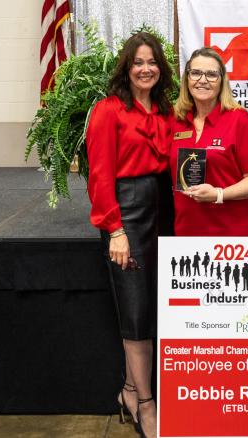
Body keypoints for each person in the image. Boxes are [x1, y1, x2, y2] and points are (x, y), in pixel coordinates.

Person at [85, 31, 175, 438]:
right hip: (128, 214)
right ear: (127, 67)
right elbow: (100, 175)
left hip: (165, 212)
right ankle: (145, 403)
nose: (145, 68)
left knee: (157, 308)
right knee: (135, 311)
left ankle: (127, 389)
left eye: (151, 61)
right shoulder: (108, 111)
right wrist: (115, 229)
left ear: (161, 68)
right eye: (138, 62)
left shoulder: (167, 111)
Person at [169, 47, 248, 236]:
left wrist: (218, 194)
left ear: (222, 81)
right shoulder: (177, 122)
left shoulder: (239, 120)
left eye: (211, 74)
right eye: (196, 73)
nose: (203, 80)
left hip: (232, 235)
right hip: (187, 232)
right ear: (187, 79)